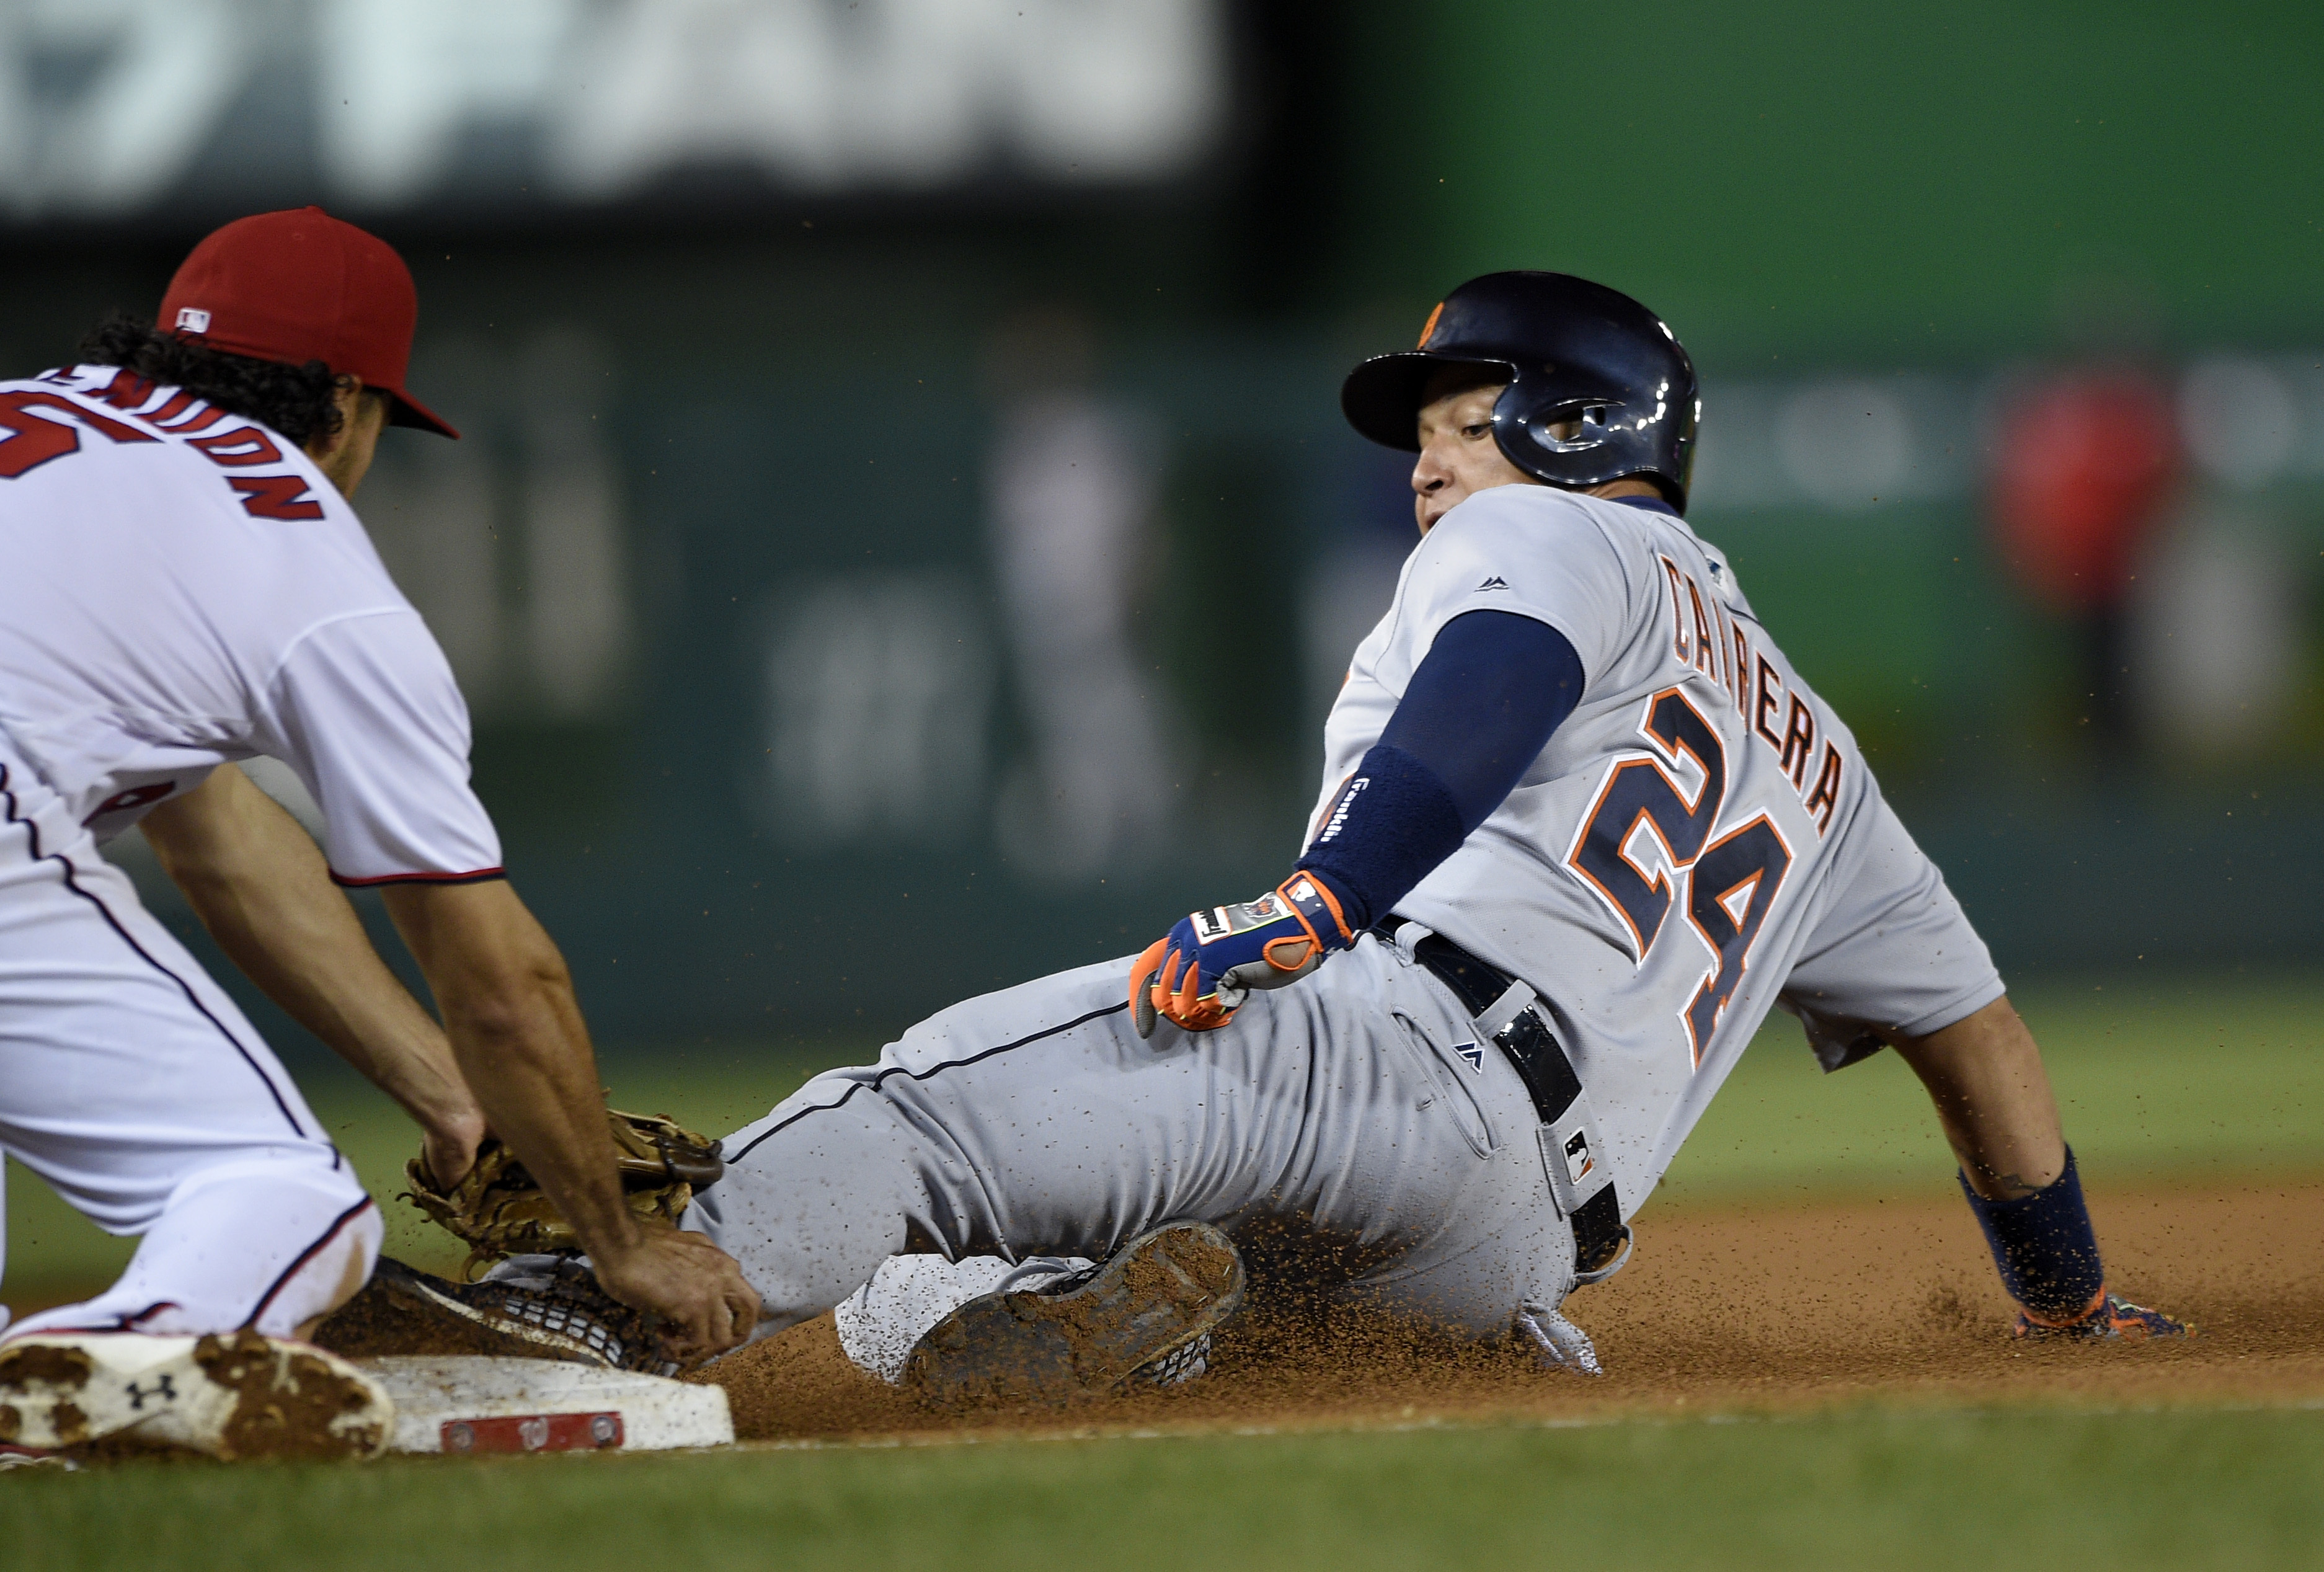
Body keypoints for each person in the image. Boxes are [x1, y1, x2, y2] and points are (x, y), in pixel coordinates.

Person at [391, 272, 2185, 1403]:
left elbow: (1487, 680)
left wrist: (1317, 902)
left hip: (1388, 1047)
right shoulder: (1815, 750)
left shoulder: (1561, 537)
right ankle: (1135, 1326)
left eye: (1460, 423)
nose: (1424, 464)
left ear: (1573, 432)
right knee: (998, 1285)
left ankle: (572, 1314)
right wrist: (2070, 1301)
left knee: (926, 1108)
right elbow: (1980, 1043)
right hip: (1518, 1236)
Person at [0, 208, 757, 1457]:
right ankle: (120, 1358)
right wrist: (617, 1242)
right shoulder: (301, 553)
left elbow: (220, 840)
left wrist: (449, 1091)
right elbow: (500, 980)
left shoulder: (54, 415)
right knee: (285, 1195)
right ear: (343, 406)